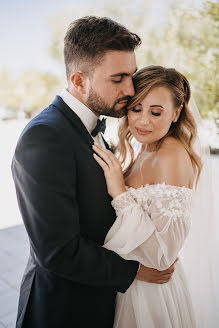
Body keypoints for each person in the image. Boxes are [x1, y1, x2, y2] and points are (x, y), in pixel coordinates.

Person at [11, 18, 176, 328]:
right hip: (64, 310)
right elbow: (57, 251)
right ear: (79, 81)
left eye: (132, 75)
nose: (131, 89)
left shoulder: (92, 126)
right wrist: (136, 270)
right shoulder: (44, 137)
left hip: (100, 300)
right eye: (118, 79)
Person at [93, 65, 203, 327]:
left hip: (150, 293)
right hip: (131, 284)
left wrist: (119, 191)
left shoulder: (171, 156)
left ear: (176, 113)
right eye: (136, 109)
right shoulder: (144, 149)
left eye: (156, 112)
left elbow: (163, 257)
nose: (144, 121)